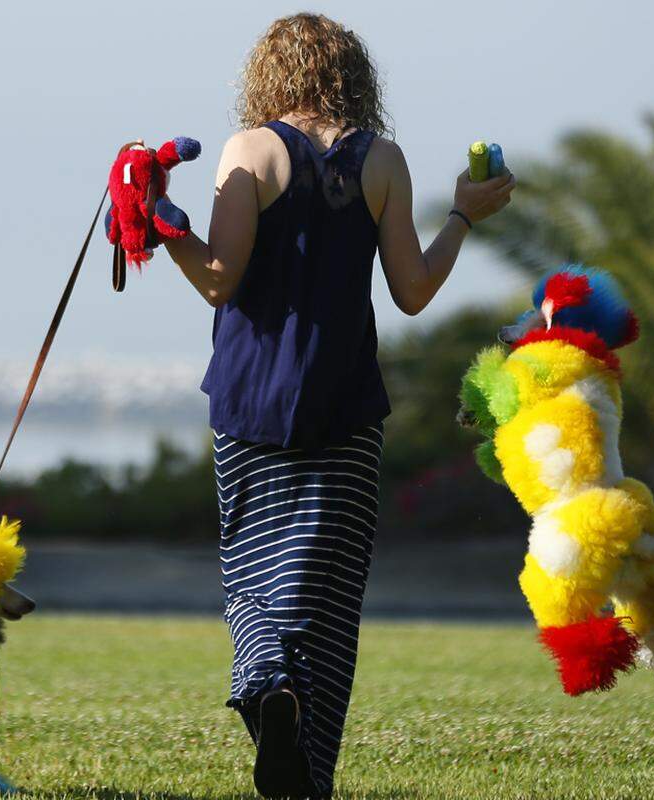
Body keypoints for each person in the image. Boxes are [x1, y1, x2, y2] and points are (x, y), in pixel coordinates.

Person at [162, 13, 515, 798]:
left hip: (251, 399)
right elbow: (413, 292)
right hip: (346, 406)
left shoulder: (249, 151)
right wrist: (463, 216)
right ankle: (307, 775)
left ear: (267, 76)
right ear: (356, 76)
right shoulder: (382, 160)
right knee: (324, 601)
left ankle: (271, 692)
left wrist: (164, 229)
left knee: (254, 581)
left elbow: (218, 278)